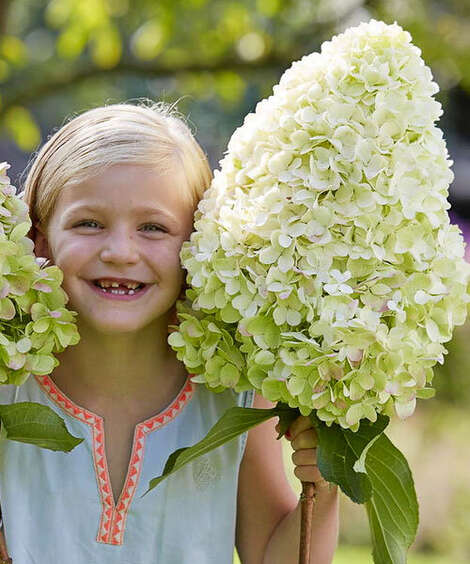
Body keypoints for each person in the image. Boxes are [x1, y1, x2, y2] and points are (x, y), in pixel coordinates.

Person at [0, 101, 338, 564]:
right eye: (89, 223)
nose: (120, 251)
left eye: (153, 228)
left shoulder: (231, 395)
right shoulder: (9, 386)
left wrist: (326, 486)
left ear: (199, 246)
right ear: (39, 240)